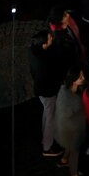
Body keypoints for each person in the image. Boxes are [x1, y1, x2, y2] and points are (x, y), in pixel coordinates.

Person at [29, 27, 66, 158]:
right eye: (50, 38)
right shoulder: (44, 62)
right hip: (47, 92)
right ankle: (47, 146)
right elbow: (52, 77)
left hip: (40, 90)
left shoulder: (34, 51)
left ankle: (45, 138)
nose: (52, 38)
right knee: (50, 117)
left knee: (47, 113)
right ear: (44, 44)